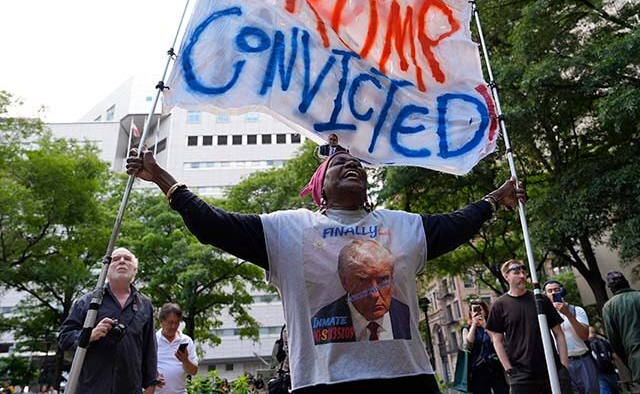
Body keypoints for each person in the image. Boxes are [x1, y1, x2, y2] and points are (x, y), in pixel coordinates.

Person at [125, 148, 525, 393]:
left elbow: (460, 221)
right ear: (321, 189)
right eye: (339, 164)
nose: (350, 165)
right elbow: (214, 225)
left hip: (408, 379)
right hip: (323, 383)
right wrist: (161, 177)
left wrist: (495, 198)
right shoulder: (287, 229)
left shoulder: (404, 225)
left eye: (355, 164)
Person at [58, 247, 158, 394]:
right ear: (106, 268)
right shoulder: (87, 301)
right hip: (92, 387)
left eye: (127, 259)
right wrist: (89, 335)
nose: (122, 262)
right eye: (116, 259)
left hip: (130, 387)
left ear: (134, 269)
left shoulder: (145, 304)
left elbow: (150, 347)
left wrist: (151, 383)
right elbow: (64, 337)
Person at [486, 260, 573, 394]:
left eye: (523, 272)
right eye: (516, 272)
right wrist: (509, 370)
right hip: (521, 376)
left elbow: (559, 334)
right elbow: (497, 341)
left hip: (552, 371)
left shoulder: (541, 299)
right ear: (506, 276)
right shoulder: (499, 305)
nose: (522, 275)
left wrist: (564, 366)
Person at [311, 239, 410, 343]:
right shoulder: (321, 322)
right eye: (363, 281)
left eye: (383, 280)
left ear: (392, 277)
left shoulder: (406, 315)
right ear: (344, 282)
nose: (374, 294)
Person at [544, 279, 600, 394]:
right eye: (550, 291)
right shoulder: (544, 317)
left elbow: (584, 335)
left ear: (562, 291)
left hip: (582, 359)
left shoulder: (576, 310)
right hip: (561, 363)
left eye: (556, 290)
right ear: (545, 295)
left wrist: (567, 314)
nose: (553, 293)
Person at [602, 271, 640, 386]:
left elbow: (614, 340)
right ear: (627, 282)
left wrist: (628, 359)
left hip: (636, 355)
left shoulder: (609, 307)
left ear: (611, 288)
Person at [462, 300, 508, 394]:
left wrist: (485, 326)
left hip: (495, 366)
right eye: (475, 310)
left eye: (480, 309)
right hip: (477, 369)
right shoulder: (467, 329)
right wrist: (474, 325)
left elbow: (497, 341)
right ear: (471, 313)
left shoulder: (493, 325)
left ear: (485, 311)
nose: (478, 312)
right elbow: (467, 346)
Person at [156, 303, 198, 394]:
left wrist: (185, 360)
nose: (173, 326)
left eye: (177, 323)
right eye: (170, 322)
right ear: (161, 321)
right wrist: (151, 377)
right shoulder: (152, 341)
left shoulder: (186, 341)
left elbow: (194, 372)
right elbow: (140, 367)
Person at [588, 327, 620, 394]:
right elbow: (615, 356)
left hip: (598, 372)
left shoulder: (587, 344)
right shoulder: (604, 341)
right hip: (611, 370)